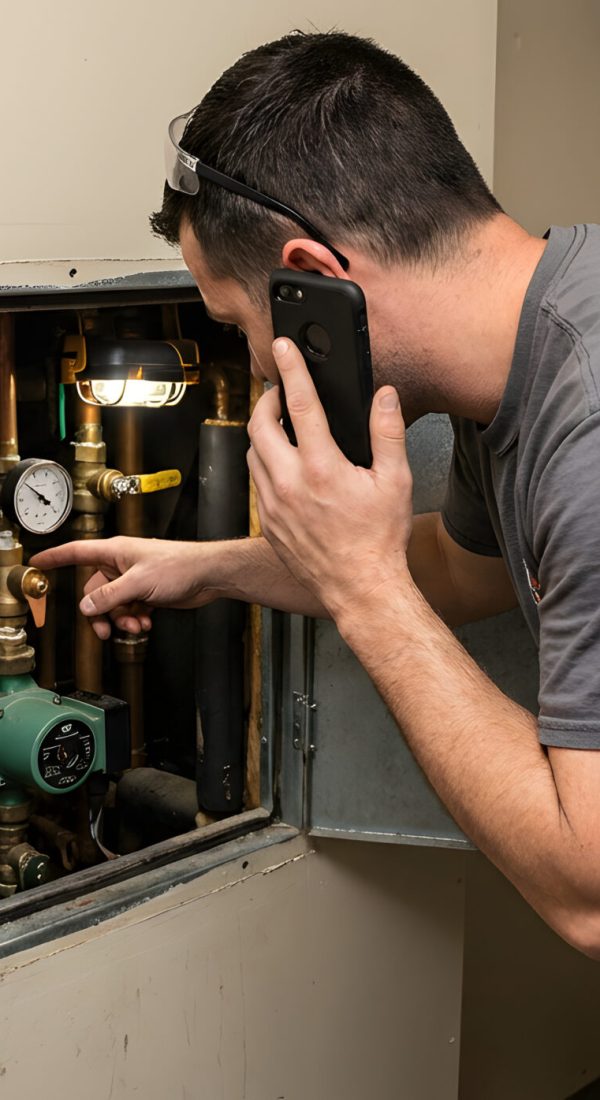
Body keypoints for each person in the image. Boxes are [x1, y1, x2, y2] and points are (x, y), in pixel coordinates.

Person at [32, 31, 600, 957]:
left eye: (238, 323)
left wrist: (363, 590)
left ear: (315, 281)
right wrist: (211, 568)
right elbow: (462, 569)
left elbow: (591, 899)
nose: (255, 363)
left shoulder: (589, 431)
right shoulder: (532, 350)